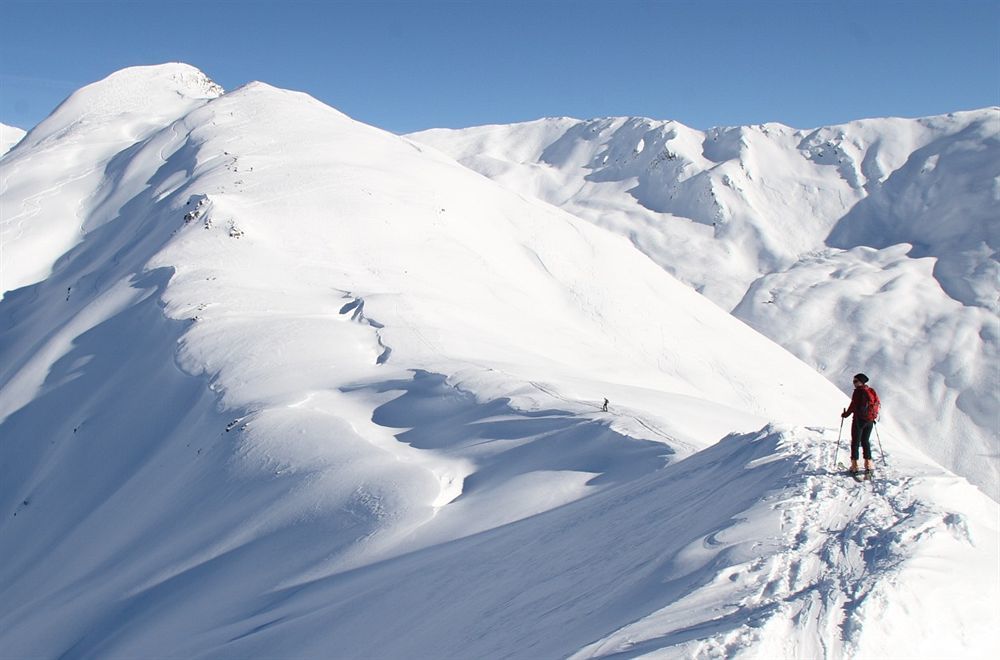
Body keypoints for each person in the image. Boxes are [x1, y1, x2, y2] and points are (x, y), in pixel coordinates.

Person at [841, 373, 878, 475]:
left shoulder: (858, 392)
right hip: (870, 421)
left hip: (859, 420)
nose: (854, 383)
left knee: (855, 442)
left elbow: (853, 405)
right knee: (865, 441)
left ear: (861, 382)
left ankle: (854, 466)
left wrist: (846, 414)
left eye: (856, 381)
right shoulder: (871, 391)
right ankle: (868, 465)